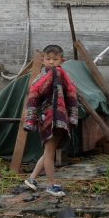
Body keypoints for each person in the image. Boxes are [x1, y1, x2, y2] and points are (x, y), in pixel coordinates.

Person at [22, 44, 79, 197]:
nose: (52, 62)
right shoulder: (40, 79)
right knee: (49, 152)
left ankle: (32, 179)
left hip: (60, 118)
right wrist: (30, 120)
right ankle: (51, 185)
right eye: (48, 59)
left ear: (62, 60)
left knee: (49, 151)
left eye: (55, 59)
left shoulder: (63, 76)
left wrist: (73, 115)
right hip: (46, 119)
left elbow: (72, 94)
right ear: (42, 60)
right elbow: (33, 98)